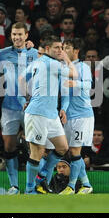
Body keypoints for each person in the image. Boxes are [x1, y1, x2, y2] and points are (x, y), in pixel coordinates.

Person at [21, 35, 77, 194]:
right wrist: (66, 57)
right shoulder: (52, 64)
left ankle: (42, 175)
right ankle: (30, 189)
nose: (60, 51)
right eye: (57, 48)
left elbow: (21, 79)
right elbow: (74, 74)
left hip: (51, 114)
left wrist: (26, 97)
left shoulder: (37, 63)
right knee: (36, 153)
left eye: (62, 48)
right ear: (47, 49)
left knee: (62, 147)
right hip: (37, 114)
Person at [0, 22, 38, 195]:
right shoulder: (2, 54)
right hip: (9, 107)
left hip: (32, 106)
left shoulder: (36, 54)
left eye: (20, 34)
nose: (17, 37)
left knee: (35, 147)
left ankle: (32, 186)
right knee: (9, 147)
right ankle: (14, 186)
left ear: (27, 35)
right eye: (14, 34)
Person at [57, 38, 94, 195]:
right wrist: (63, 110)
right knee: (70, 151)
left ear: (76, 50)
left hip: (83, 115)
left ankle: (71, 186)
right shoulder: (65, 69)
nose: (64, 50)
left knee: (75, 151)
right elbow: (65, 96)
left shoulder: (83, 67)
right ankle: (86, 184)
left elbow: (89, 85)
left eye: (67, 48)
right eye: (63, 47)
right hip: (70, 116)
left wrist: (76, 84)